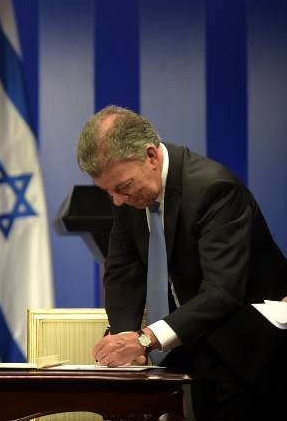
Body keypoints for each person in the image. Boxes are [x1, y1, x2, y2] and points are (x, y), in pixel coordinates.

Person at [77, 105, 287, 420]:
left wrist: (145, 340)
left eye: (122, 188)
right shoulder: (130, 194)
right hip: (188, 347)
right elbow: (122, 273)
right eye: (108, 192)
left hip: (245, 352)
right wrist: (125, 342)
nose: (117, 201)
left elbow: (222, 292)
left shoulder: (214, 189)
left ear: (150, 156)